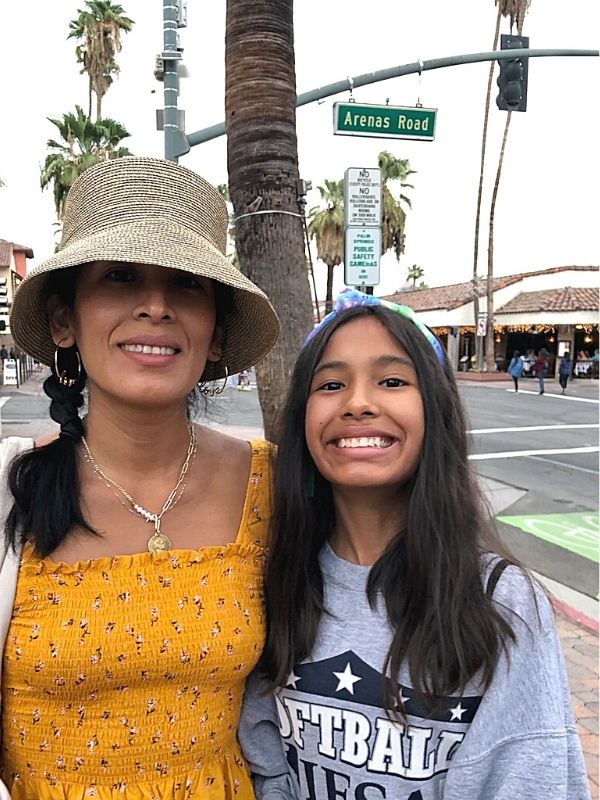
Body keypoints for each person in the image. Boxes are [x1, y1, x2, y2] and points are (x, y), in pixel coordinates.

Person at [0, 156, 280, 799]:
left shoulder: (271, 488)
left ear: (215, 332)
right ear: (65, 320)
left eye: (186, 284)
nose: (155, 306)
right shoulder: (13, 490)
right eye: (121, 279)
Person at [239, 289, 590, 800]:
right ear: (302, 419)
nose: (358, 403)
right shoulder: (280, 582)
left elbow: (528, 780)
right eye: (331, 383)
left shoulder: (501, 602)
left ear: (436, 414)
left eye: (393, 381)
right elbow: (267, 768)